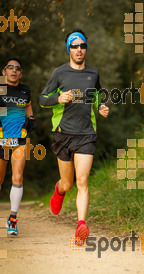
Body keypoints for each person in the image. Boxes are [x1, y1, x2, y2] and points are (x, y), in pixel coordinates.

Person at [40, 28, 109, 245]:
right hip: (63, 134)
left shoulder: (93, 73)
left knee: (82, 181)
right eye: (74, 46)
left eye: (82, 45)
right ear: (68, 49)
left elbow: (97, 93)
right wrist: (58, 98)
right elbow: (42, 99)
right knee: (68, 184)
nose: (79, 50)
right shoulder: (59, 73)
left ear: (86, 48)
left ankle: (81, 225)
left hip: (86, 134)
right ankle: (58, 191)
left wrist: (101, 106)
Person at [0, 58, 35, 235]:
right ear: (3, 72)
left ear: (21, 73)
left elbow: (28, 108)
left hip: (19, 140)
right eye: (10, 67)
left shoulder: (25, 90)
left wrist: (31, 119)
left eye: (17, 68)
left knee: (18, 177)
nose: (14, 70)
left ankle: (13, 220)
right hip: (1, 139)